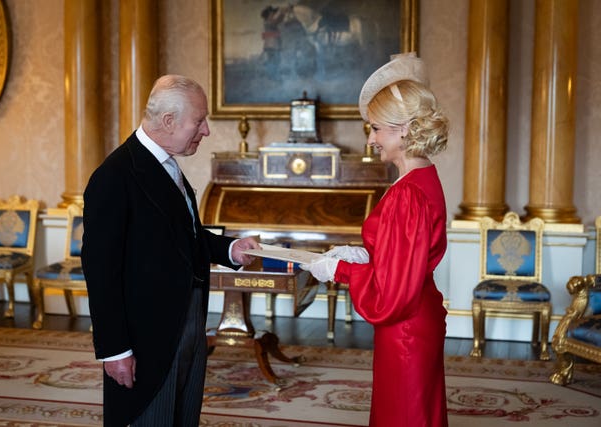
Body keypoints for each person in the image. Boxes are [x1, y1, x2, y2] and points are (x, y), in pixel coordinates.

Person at [81, 74, 260, 426]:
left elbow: (185, 236)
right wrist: (115, 351)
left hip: (189, 322)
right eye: (199, 121)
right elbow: (100, 271)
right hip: (147, 337)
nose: (206, 130)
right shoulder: (114, 177)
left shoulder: (168, 166)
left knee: (183, 417)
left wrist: (231, 249)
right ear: (168, 121)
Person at [300, 52, 450, 427]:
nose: (370, 140)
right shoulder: (419, 179)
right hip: (416, 320)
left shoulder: (407, 194)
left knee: (405, 416)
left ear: (403, 129)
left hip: (406, 328)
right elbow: (402, 258)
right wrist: (363, 254)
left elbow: (393, 295)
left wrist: (341, 270)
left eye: (375, 129)